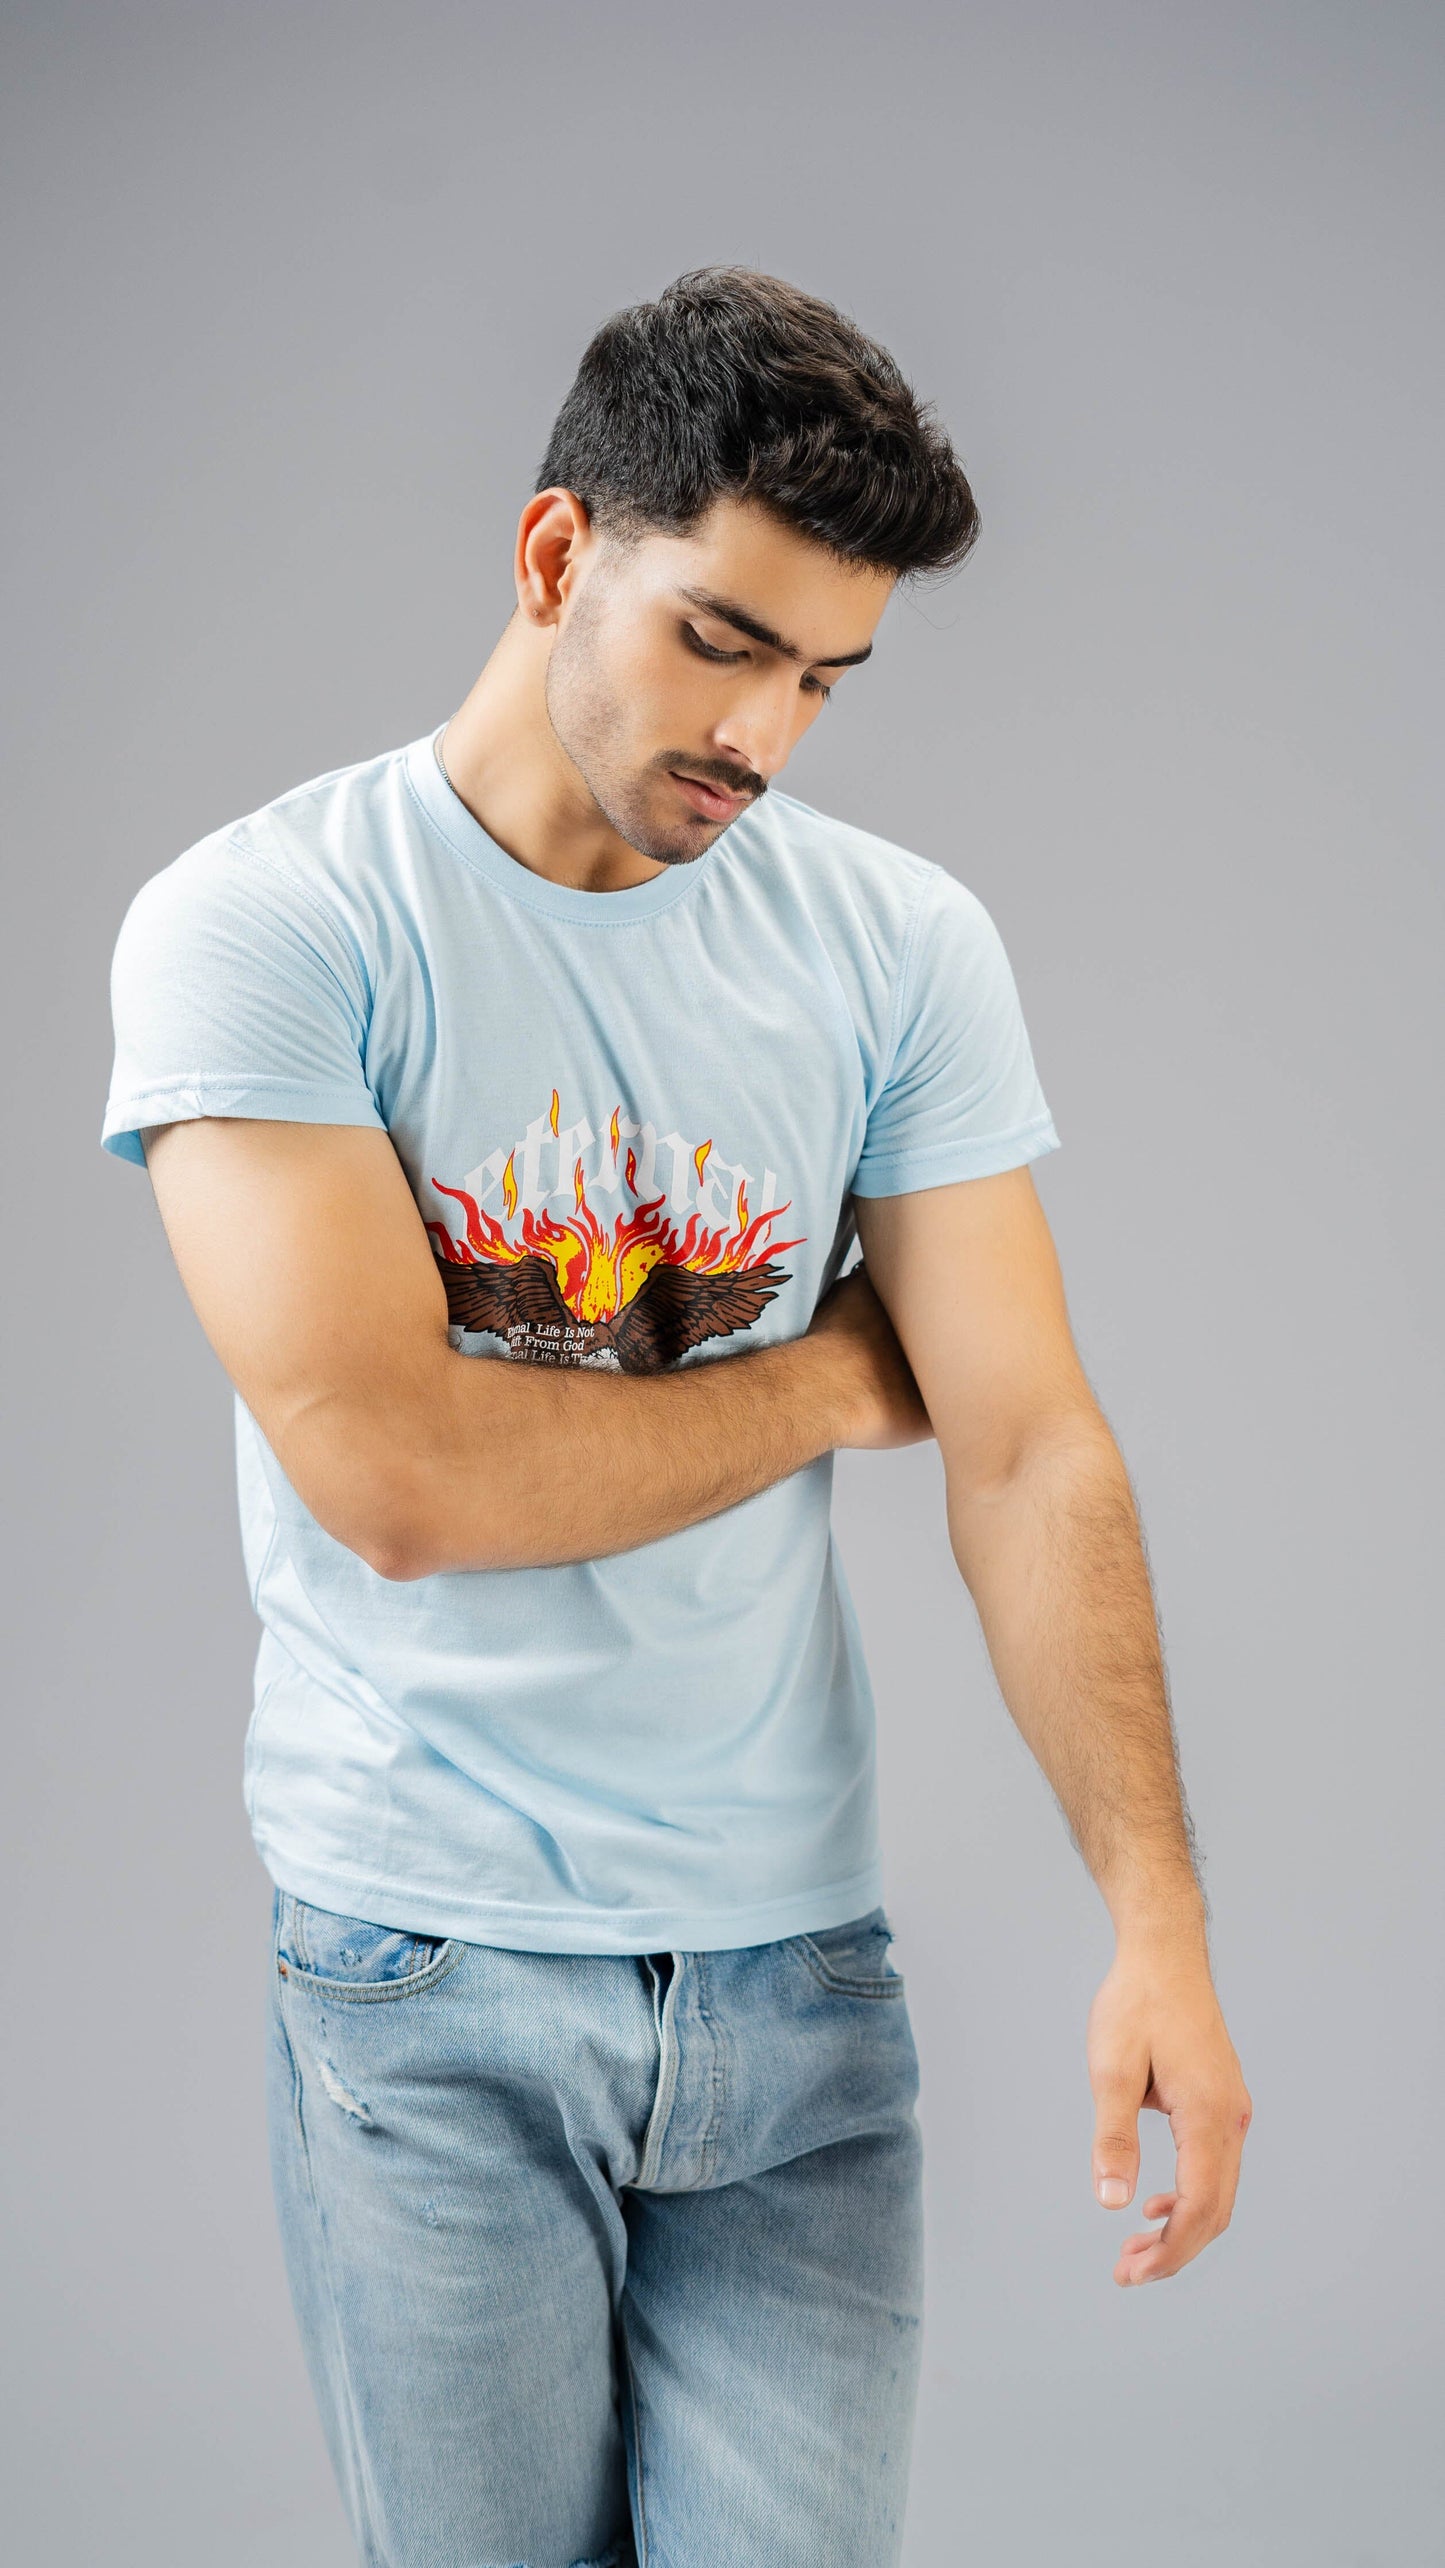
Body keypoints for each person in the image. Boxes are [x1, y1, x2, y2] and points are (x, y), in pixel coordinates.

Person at [101, 266, 1251, 2568]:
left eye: (826, 678)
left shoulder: (895, 945)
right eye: (724, 642)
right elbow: (399, 1479)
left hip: (796, 1978)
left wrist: (1161, 1926)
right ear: (557, 556)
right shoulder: (272, 925)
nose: (767, 733)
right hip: (427, 1970)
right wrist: (827, 1373)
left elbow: (1028, 1447)